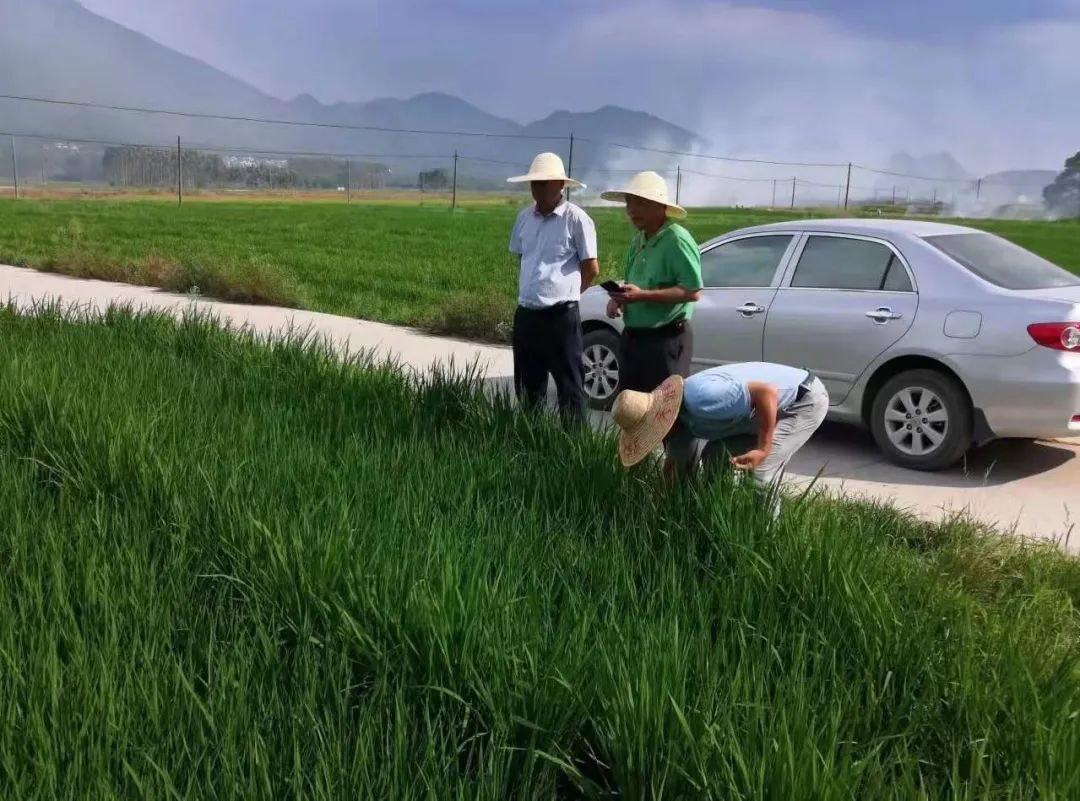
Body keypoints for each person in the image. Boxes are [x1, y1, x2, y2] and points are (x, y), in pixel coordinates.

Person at [610, 363, 829, 516]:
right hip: (756, 413)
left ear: (665, 419)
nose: (658, 440)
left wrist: (763, 448)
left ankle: (768, 540)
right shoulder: (678, 430)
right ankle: (718, 515)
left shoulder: (702, 398)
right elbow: (674, 469)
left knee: (760, 473)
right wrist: (658, 508)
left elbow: (765, 393)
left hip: (801, 402)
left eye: (654, 434)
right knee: (714, 456)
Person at [507, 152, 599, 422]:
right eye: (534, 183)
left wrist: (568, 294)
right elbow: (523, 258)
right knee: (527, 386)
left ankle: (571, 450)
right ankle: (532, 442)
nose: (537, 188)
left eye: (543, 183)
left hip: (561, 317)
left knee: (570, 388)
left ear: (560, 184)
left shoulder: (576, 219)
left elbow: (591, 268)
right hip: (527, 314)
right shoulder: (524, 218)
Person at [600, 171, 702, 395]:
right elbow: (633, 284)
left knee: (663, 413)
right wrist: (619, 300)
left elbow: (692, 291)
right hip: (634, 339)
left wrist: (642, 296)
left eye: (640, 203)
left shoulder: (676, 239)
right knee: (633, 409)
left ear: (659, 206)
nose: (631, 210)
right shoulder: (639, 239)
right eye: (629, 203)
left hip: (666, 340)